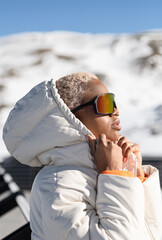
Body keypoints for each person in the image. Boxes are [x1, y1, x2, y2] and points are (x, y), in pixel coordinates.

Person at [3, 72, 162, 240]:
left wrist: (134, 174)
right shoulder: (57, 185)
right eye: (105, 103)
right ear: (71, 118)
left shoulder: (93, 174)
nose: (116, 111)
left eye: (113, 102)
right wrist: (115, 176)